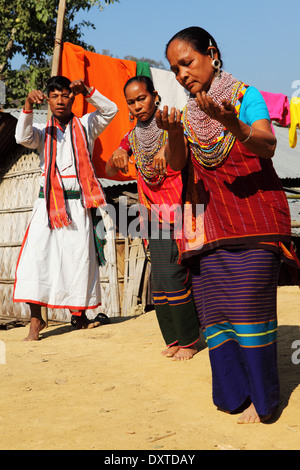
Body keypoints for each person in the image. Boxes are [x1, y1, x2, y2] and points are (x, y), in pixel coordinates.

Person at [156, 27, 299, 422]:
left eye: (187, 62)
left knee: (249, 308)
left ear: (212, 54)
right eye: (175, 69)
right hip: (208, 226)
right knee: (217, 312)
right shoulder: (186, 115)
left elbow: (268, 144)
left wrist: (233, 124)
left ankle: (263, 399)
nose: (182, 74)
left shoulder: (244, 96)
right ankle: (234, 393)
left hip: (254, 220)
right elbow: (177, 165)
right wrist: (171, 133)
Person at [14, 76, 118, 340]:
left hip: (79, 204)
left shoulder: (86, 125)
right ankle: (36, 322)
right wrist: (26, 105)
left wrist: (89, 91)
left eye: (66, 95)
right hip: (47, 204)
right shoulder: (41, 131)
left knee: (79, 259)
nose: (60, 101)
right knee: (36, 259)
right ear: (48, 99)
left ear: (73, 98)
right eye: (55, 96)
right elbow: (21, 137)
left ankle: (79, 317)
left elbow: (111, 110)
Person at [105, 75, 200, 361]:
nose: (137, 106)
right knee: (159, 281)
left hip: (179, 211)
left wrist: (168, 144)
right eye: (131, 102)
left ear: (155, 95)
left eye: (142, 98)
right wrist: (119, 153)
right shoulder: (131, 136)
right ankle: (172, 339)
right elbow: (110, 171)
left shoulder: (173, 121)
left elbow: (184, 149)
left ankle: (190, 340)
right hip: (152, 215)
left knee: (173, 275)